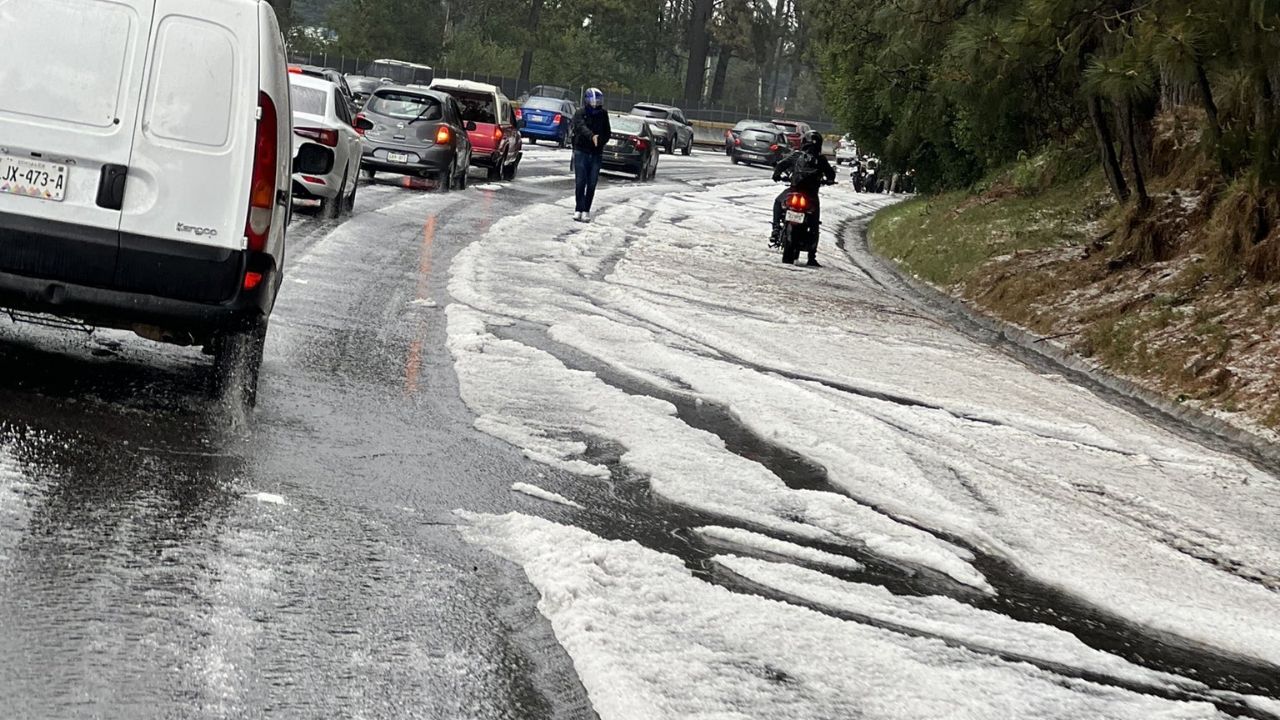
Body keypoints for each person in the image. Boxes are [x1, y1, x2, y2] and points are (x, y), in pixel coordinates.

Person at [770, 131, 836, 267]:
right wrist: (829, 180)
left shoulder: (796, 155)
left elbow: (781, 164)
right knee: (814, 223)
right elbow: (831, 174)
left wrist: (776, 175)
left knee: (778, 202)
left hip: (794, 191)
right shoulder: (821, 159)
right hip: (811, 195)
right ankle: (812, 256)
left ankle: (776, 229)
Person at [571, 87, 611, 223]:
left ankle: (586, 209)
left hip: (596, 153)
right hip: (581, 150)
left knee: (592, 183)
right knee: (580, 181)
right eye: (593, 100)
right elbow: (580, 127)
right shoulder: (580, 113)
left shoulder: (603, 114)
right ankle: (578, 208)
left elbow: (607, 132)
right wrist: (591, 136)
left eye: (598, 101)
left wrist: (600, 141)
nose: (595, 103)